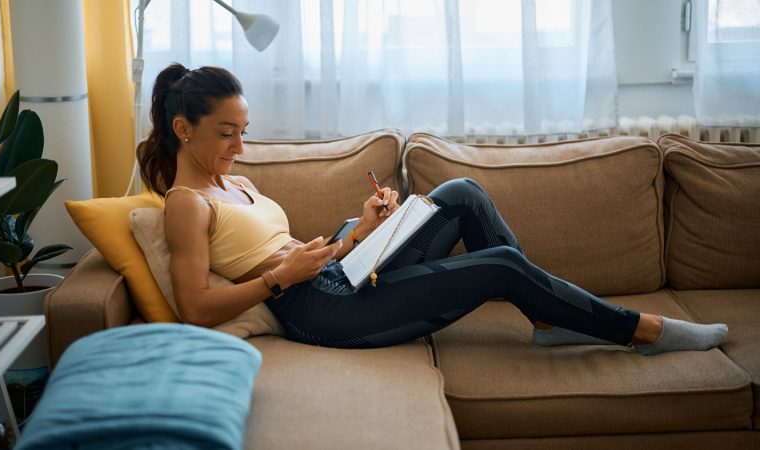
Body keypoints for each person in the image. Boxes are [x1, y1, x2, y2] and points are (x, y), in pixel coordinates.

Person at [139, 63, 728, 356]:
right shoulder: (185, 205)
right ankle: (640, 331)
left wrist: (356, 232)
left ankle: (548, 320)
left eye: (244, 130)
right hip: (315, 310)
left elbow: (301, 254)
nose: (242, 148)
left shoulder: (236, 185)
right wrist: (275, 279)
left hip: (332, 275)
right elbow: (194, 308)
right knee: (498, 265)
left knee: (462, 192)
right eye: (226, 134)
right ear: (183, 129)